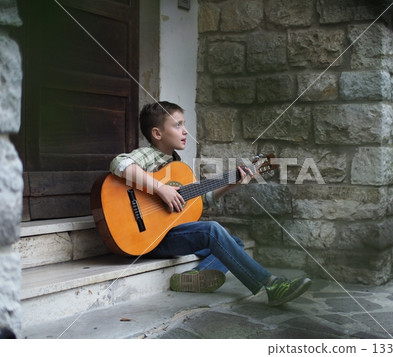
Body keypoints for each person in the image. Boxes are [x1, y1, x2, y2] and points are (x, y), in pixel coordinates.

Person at [110, 101, 311, 306]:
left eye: (184, 124)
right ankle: (271, 285)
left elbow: (201, 202)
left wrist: (234, 182)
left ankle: (196, 276)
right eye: (177, 125)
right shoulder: (149, 155)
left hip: (167, 233)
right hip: (145, 237)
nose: (185, 131)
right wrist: (161, 189)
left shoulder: (179, 167)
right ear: (157, 133)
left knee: (235, 243)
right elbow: (120, 163)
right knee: (212, 230)